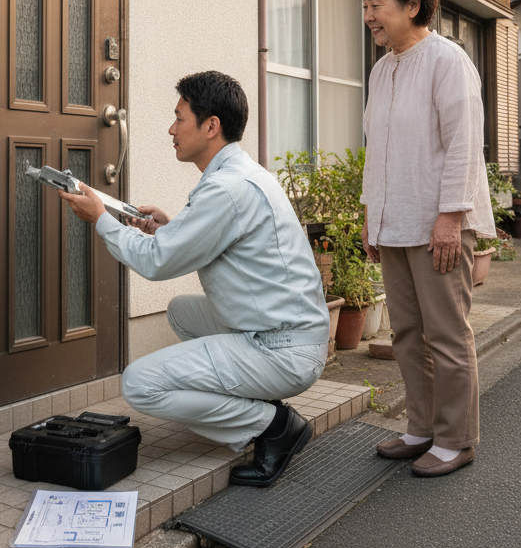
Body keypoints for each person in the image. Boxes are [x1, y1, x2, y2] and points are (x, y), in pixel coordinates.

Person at [59, 70, 330, 487]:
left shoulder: (225, 189)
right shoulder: (241, 175)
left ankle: (273, 425)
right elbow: (205, 236)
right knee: (182, 311)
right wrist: (167, 226)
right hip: (289, 330)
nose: (171, 128)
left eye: (179, 118)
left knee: (140, 384)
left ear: (210, 126)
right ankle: (256, 395)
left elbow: (157, 263)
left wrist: (101, 220)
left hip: (283, 349)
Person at [360, 0, 495, 478]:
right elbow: (378, 149)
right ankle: (421, 428)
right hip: (395, 221)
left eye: (377, 4)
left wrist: (451, 217)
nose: (369, 15)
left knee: (446, 333)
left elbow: (464, 144)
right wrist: (373, 213)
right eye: (365, 5)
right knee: (407, 334)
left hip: (439, 221)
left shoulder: (447, 60)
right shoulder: (382, 68)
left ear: (412, 4)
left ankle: (458, 439)